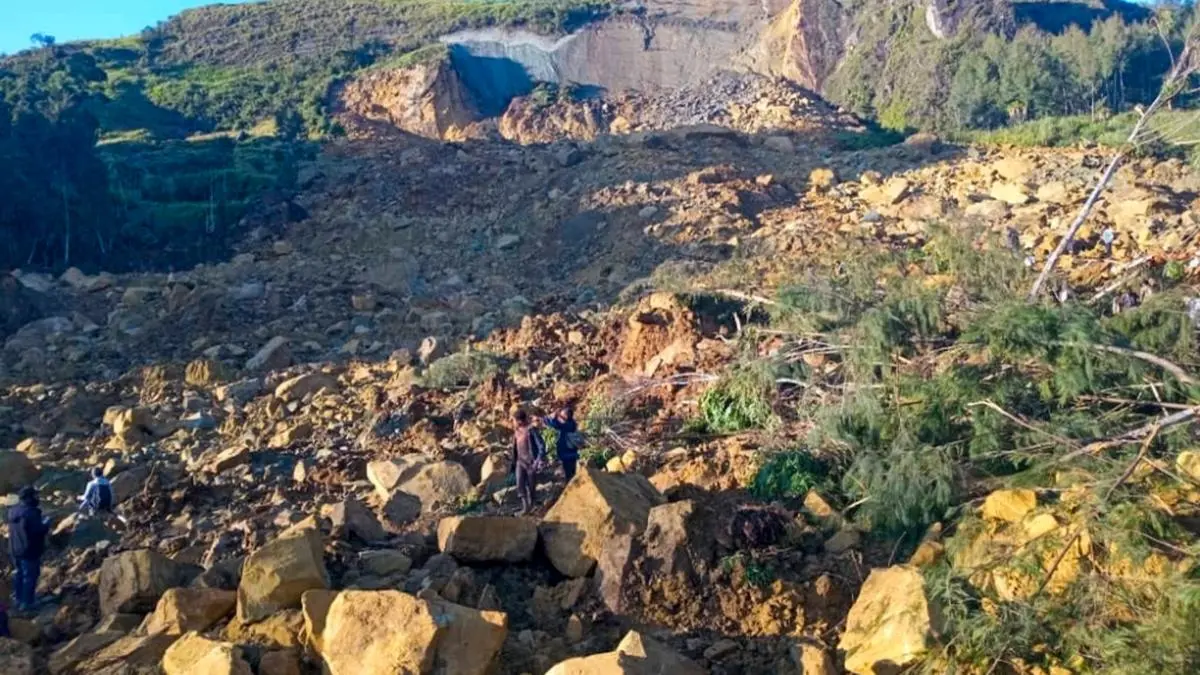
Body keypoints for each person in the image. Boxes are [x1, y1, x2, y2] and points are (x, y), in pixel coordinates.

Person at [8, 486, 49, 613]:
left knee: (19, 574)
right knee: (30, 576)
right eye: (35, 495)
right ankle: (27, 603)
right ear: (29, 497)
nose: (38, 498)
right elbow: (38, 530)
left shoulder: (12, 511)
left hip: (15, 549)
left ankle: (18, 599)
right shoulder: (32, 513)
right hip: (29, 550)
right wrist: (47, 524)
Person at [511, 409, 545, 515]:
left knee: (531, 486)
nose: (513, 423)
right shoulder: (516, 432)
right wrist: (513, 463)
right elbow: (515, 449)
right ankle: (525, 507)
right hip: (520, 462)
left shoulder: (531, 430)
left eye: (514, 420)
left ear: (519, 421)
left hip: (531, 463)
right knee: (520, 484)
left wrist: (538, 460)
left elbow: (541, 446)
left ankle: (532, 506)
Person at [544, 402, 582, 482]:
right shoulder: (572, 423)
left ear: (566, 416)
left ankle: (571, 485)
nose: (560, 417)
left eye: (562, 415)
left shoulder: (566, 425)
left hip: (567, 453)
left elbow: (552, 423)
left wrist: (552, 416)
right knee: (572, 471)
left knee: (569, 474)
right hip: (572, 453)